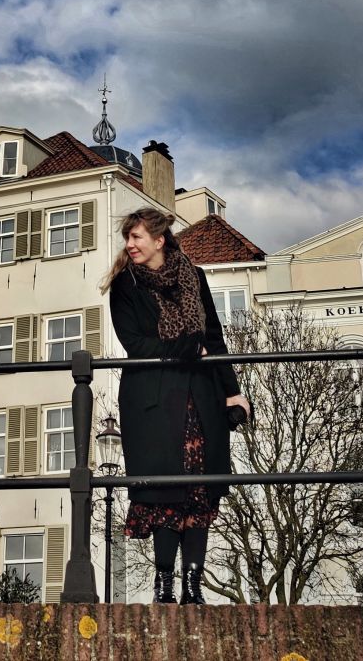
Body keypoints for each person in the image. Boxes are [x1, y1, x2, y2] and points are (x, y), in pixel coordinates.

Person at [105, 206, 251, 603]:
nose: (130, 244)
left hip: (199, 396)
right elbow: (134, 344)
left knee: (199, 492)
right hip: (152, 399)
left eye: (136, 237)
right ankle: (164, 586)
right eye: (128, 238)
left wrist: (232, 391)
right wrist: (186, 348)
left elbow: (213, 337)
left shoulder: (193, 276)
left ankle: (193, 586)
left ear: (159, 239)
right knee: (164, 492)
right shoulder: (125, 285)